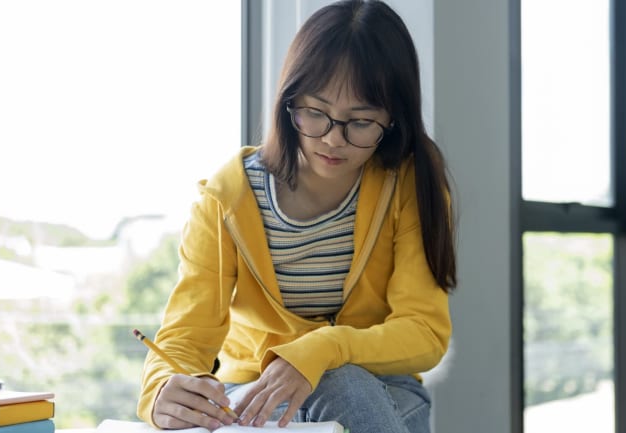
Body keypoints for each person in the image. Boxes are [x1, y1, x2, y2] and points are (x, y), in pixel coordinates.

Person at [136, 1, 456, 432]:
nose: (332, 140)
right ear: (289, 100)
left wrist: (322, 350)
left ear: (393, 121)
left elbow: (424, 333)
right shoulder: (228, 197)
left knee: (340, 384)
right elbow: (186, 335)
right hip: (253, 392)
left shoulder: (410, 182)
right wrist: (160, 392)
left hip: (381, 390)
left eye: (360, 122)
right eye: (315, 113)